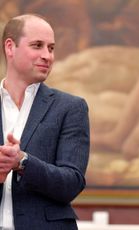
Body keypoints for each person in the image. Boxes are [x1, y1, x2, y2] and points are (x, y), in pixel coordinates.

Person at [0, 14, 90, 230]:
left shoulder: (70, 108)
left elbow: (72, 183)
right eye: (37, 46)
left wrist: (22, 162)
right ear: (10, 47)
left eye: (51, 48)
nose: (47, 56)